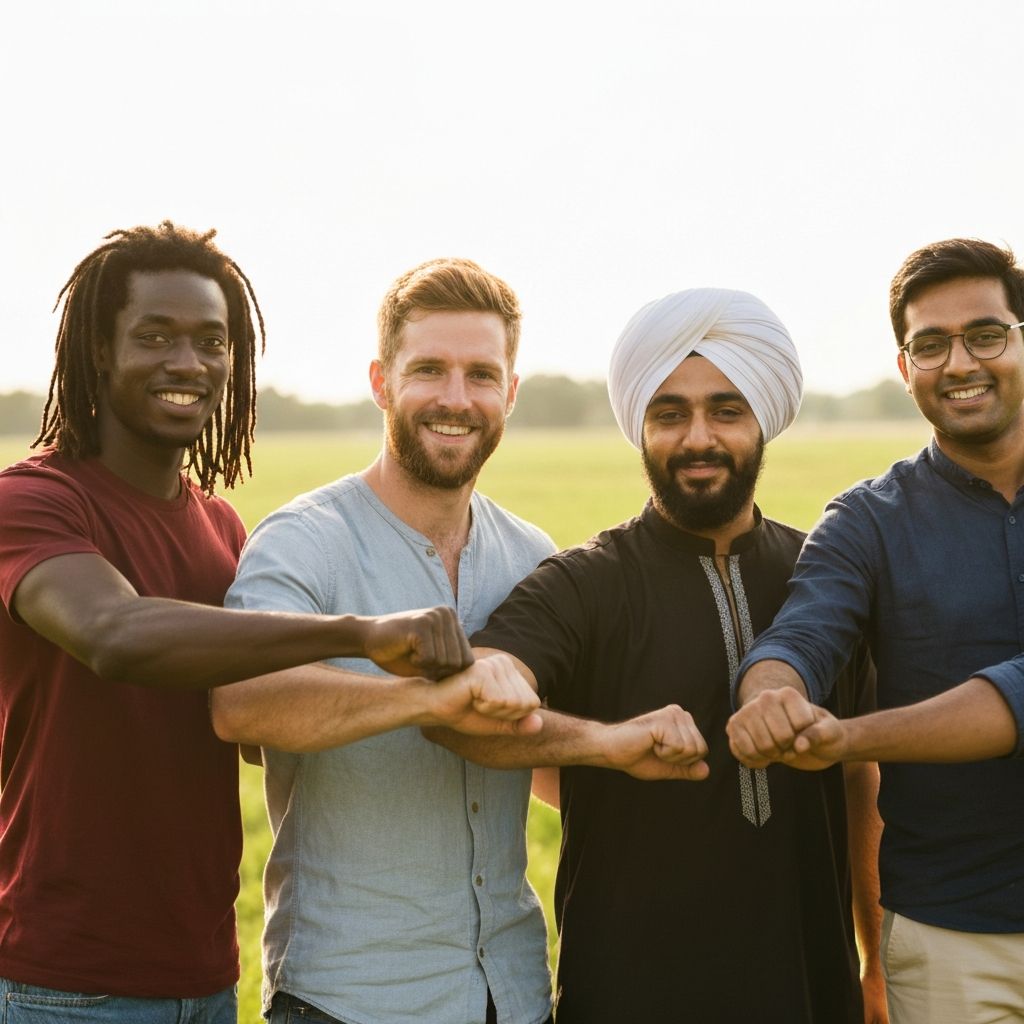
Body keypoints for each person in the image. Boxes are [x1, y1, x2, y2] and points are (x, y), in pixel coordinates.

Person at [0, 225, 534, 1023]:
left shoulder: (220, 530)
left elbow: (249, 730)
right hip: (64, 980)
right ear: (100, 352)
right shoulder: (34, 502)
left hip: (204, 974)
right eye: (154, 337)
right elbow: (116, 635)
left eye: (212, 342)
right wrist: (359, 635)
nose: (189, 363)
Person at [210, 258, 707, 1024]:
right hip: (349, 997)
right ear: (381, 382)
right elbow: (242, 705)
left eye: (481, 374)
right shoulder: (304, 541)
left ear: (508, 392)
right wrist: (436, 697)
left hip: (510, 991)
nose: (455, 398)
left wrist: (621, 747)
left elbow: (539, 762)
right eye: (429, 370)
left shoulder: (532, 554)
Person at [428, 288, 884, 1024]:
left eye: (726, 411)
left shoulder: (823, 580)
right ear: (639, 426)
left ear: (762, 419)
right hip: (628, 994)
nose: (697, 437)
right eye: (670, 414)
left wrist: (878, 965)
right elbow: (457, 712)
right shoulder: (583, 584)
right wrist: (599, 745)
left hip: (810, 987)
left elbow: (864, 780)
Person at [728, 237, 1024, 1024]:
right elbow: (803, 631)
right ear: (905, 369)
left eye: (985, 334)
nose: (959, 362)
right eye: (930, 345)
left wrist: (850, 737)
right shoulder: (868, 519)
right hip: (950, 936)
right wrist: (770, 692)